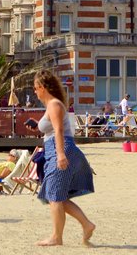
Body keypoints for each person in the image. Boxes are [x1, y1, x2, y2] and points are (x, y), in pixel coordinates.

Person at [31, 69, 95, 247]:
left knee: (55, 196)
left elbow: (59, 131)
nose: (34, 92)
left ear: (43, 87)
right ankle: (87, 224)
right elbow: (52, 129)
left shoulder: (54, 105)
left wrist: (60, 154)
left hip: (61, 149)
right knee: (56, 194)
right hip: (55, 149)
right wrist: (37, 127)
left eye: (35, 88)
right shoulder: (52, 105)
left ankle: (56, 237)